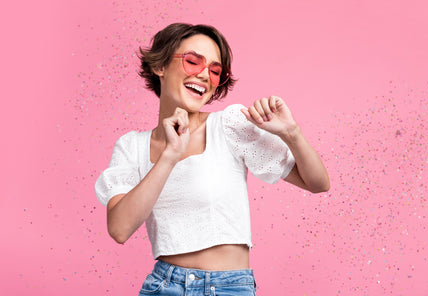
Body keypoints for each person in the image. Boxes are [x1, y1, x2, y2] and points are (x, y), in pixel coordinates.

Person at [95, 23, 330, 296]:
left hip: (230, 288)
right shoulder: (131, 146)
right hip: (164, 287)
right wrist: (170, 155)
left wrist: (292, 133)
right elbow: (120, 229)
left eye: (215, 71)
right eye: (193, 61)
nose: (205, 75)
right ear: (160, 66)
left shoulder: (229, 125)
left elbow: (318, 183)